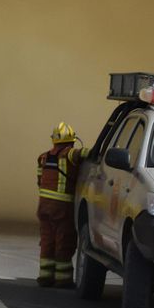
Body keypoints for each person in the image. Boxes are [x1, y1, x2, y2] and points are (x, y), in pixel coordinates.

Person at [35, 122, 90, 288]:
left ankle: (45, 276)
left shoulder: (43, 157)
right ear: (71, 140)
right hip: (62, 207)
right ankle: (63, 279)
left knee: (47, 240)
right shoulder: (69, 154)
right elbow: (86, 153)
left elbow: (40, 181)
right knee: (64, 241)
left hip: (44, 206)